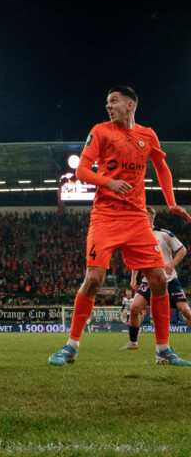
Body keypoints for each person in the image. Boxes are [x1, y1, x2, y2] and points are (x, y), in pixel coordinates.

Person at [49, 86, 191, 366]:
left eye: (113, 101)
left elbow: (162, 167)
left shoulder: (147, 134)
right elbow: (81, 171)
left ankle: (163, 350)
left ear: (130, 105)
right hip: (105, 215)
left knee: (160, 279)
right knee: (93, 280)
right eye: (106, 101)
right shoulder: (100, 131)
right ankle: (71, 347)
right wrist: (108, 182)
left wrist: (171, 201)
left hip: (137, 217)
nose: (107, 105)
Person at [121, 206, 191, 350]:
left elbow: (182, 249)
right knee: (134, 308)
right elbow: (137, 259)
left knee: (185, 310)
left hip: (170, 280)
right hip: (148, 281)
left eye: (144, 217)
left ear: (151, 218)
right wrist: (133, 278)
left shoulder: (164, 233)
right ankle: (133, 342)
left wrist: (172, 263)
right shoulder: (139, 236)